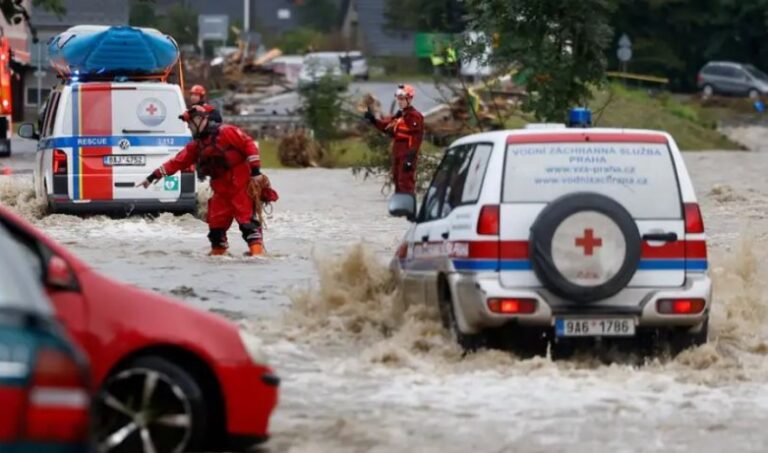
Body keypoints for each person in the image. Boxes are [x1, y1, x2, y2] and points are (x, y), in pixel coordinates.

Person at [136, 104, 268, 256]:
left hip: (240, 187)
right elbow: (177, 162)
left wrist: (256, 171)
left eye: (191, 124)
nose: (189, 128)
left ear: (200, 119)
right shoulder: (196, 146)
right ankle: (218, 255)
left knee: (248, 225)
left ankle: (257, 257)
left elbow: (249, 145)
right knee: (215, 229)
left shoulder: (227, 132)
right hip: (220, 191)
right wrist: (153, 177)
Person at [364, 84, 424, 194]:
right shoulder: (400, 115)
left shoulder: (414, 116)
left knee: (405, 182)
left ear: (409, 99)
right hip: (397, 152)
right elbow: (386, 127)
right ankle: (399, 206)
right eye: (398, 99)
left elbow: (416, 139)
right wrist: (373, 120)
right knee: (397, 179)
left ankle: (408, 206)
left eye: (402, 99)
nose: (399, 102)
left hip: (406, 154)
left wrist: (410, 159)